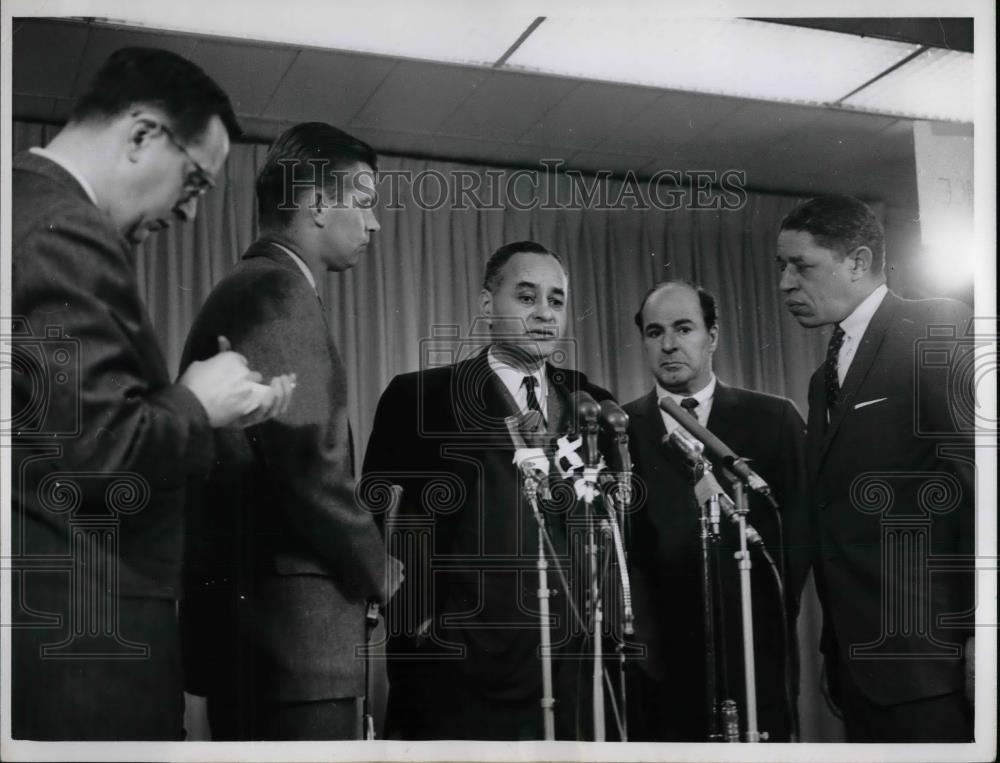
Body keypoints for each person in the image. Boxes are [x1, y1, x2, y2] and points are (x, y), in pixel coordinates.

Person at [10, 47, 293, 741]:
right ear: (141, 134)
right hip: (87, 648)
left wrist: (209, 404)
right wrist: (197, 400)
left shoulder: (19, 204)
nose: (192, 214)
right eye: (194, 182)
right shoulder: (69, 233)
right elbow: (102, 454)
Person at [178, 122, 400, 740]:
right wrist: (382, 569)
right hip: (292, 646)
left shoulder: (250, 286)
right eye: (364, 200)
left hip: (259, 639)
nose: (374, 224)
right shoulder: (280, 292)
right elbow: (311, 463)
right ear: (318, 203)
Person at [362, 241, 614, 740]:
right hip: (456, 672)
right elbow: (370, 515)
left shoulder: (590, 403)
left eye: (556, 300)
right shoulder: (422, 397)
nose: (544, 314)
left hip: (566, 670)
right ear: (486, 306)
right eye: (526, 297)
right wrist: (416, 624)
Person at [777, 194, 975, 742]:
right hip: (860, 669)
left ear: (859, 262)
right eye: (782, 267)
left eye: (803, 265)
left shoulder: (935, 329)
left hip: (934, 665)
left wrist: (986, 632)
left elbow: (985, 490)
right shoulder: (824, 380)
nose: (786, 284)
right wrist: (834, 649)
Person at [623, 281, 807, 742]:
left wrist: (768, 614)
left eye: (684, 328)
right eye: (654, 332)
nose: (668, 344)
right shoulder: (619, 430)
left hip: (755, 649)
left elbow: (801, 532)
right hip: (660, 666)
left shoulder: (774, 419)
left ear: (713, 336)